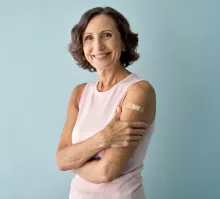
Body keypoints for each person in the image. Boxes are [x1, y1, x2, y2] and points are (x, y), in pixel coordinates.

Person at [56, 6, 156, 199]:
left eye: (107, 35)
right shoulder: (80, 93)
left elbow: (106, 172)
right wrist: (105, 137)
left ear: (124, 43)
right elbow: (61, 159)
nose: (98, 46)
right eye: (89, 37)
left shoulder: (138, 91)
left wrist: (74, 161)